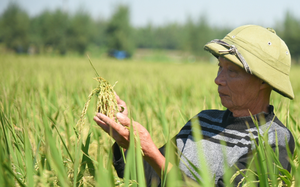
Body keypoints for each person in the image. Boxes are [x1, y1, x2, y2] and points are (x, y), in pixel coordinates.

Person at [93, 25, 295, 186]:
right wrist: (129, 142)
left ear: (263, 81)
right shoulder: (203, 122)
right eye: (219, 68)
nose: (218, 80)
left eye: (232, 71)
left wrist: (151, 152)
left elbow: (159, 163)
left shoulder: (274, 139)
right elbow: (151, 177)